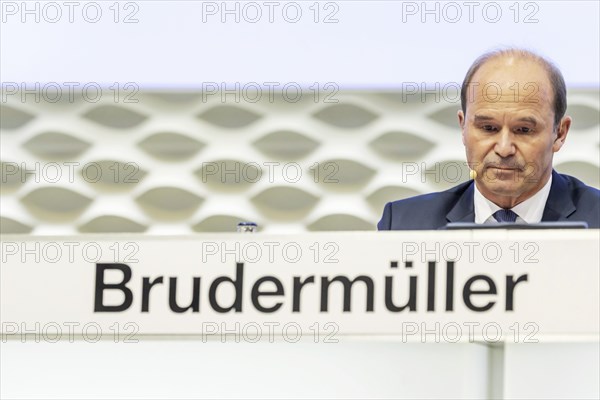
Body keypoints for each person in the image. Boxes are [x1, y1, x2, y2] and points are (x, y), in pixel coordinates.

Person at [378, 48, 599, 230]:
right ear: (463, 127)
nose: (504, 149)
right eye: (488, 128)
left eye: (523, 130)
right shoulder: (402, 225)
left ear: (560, 133)